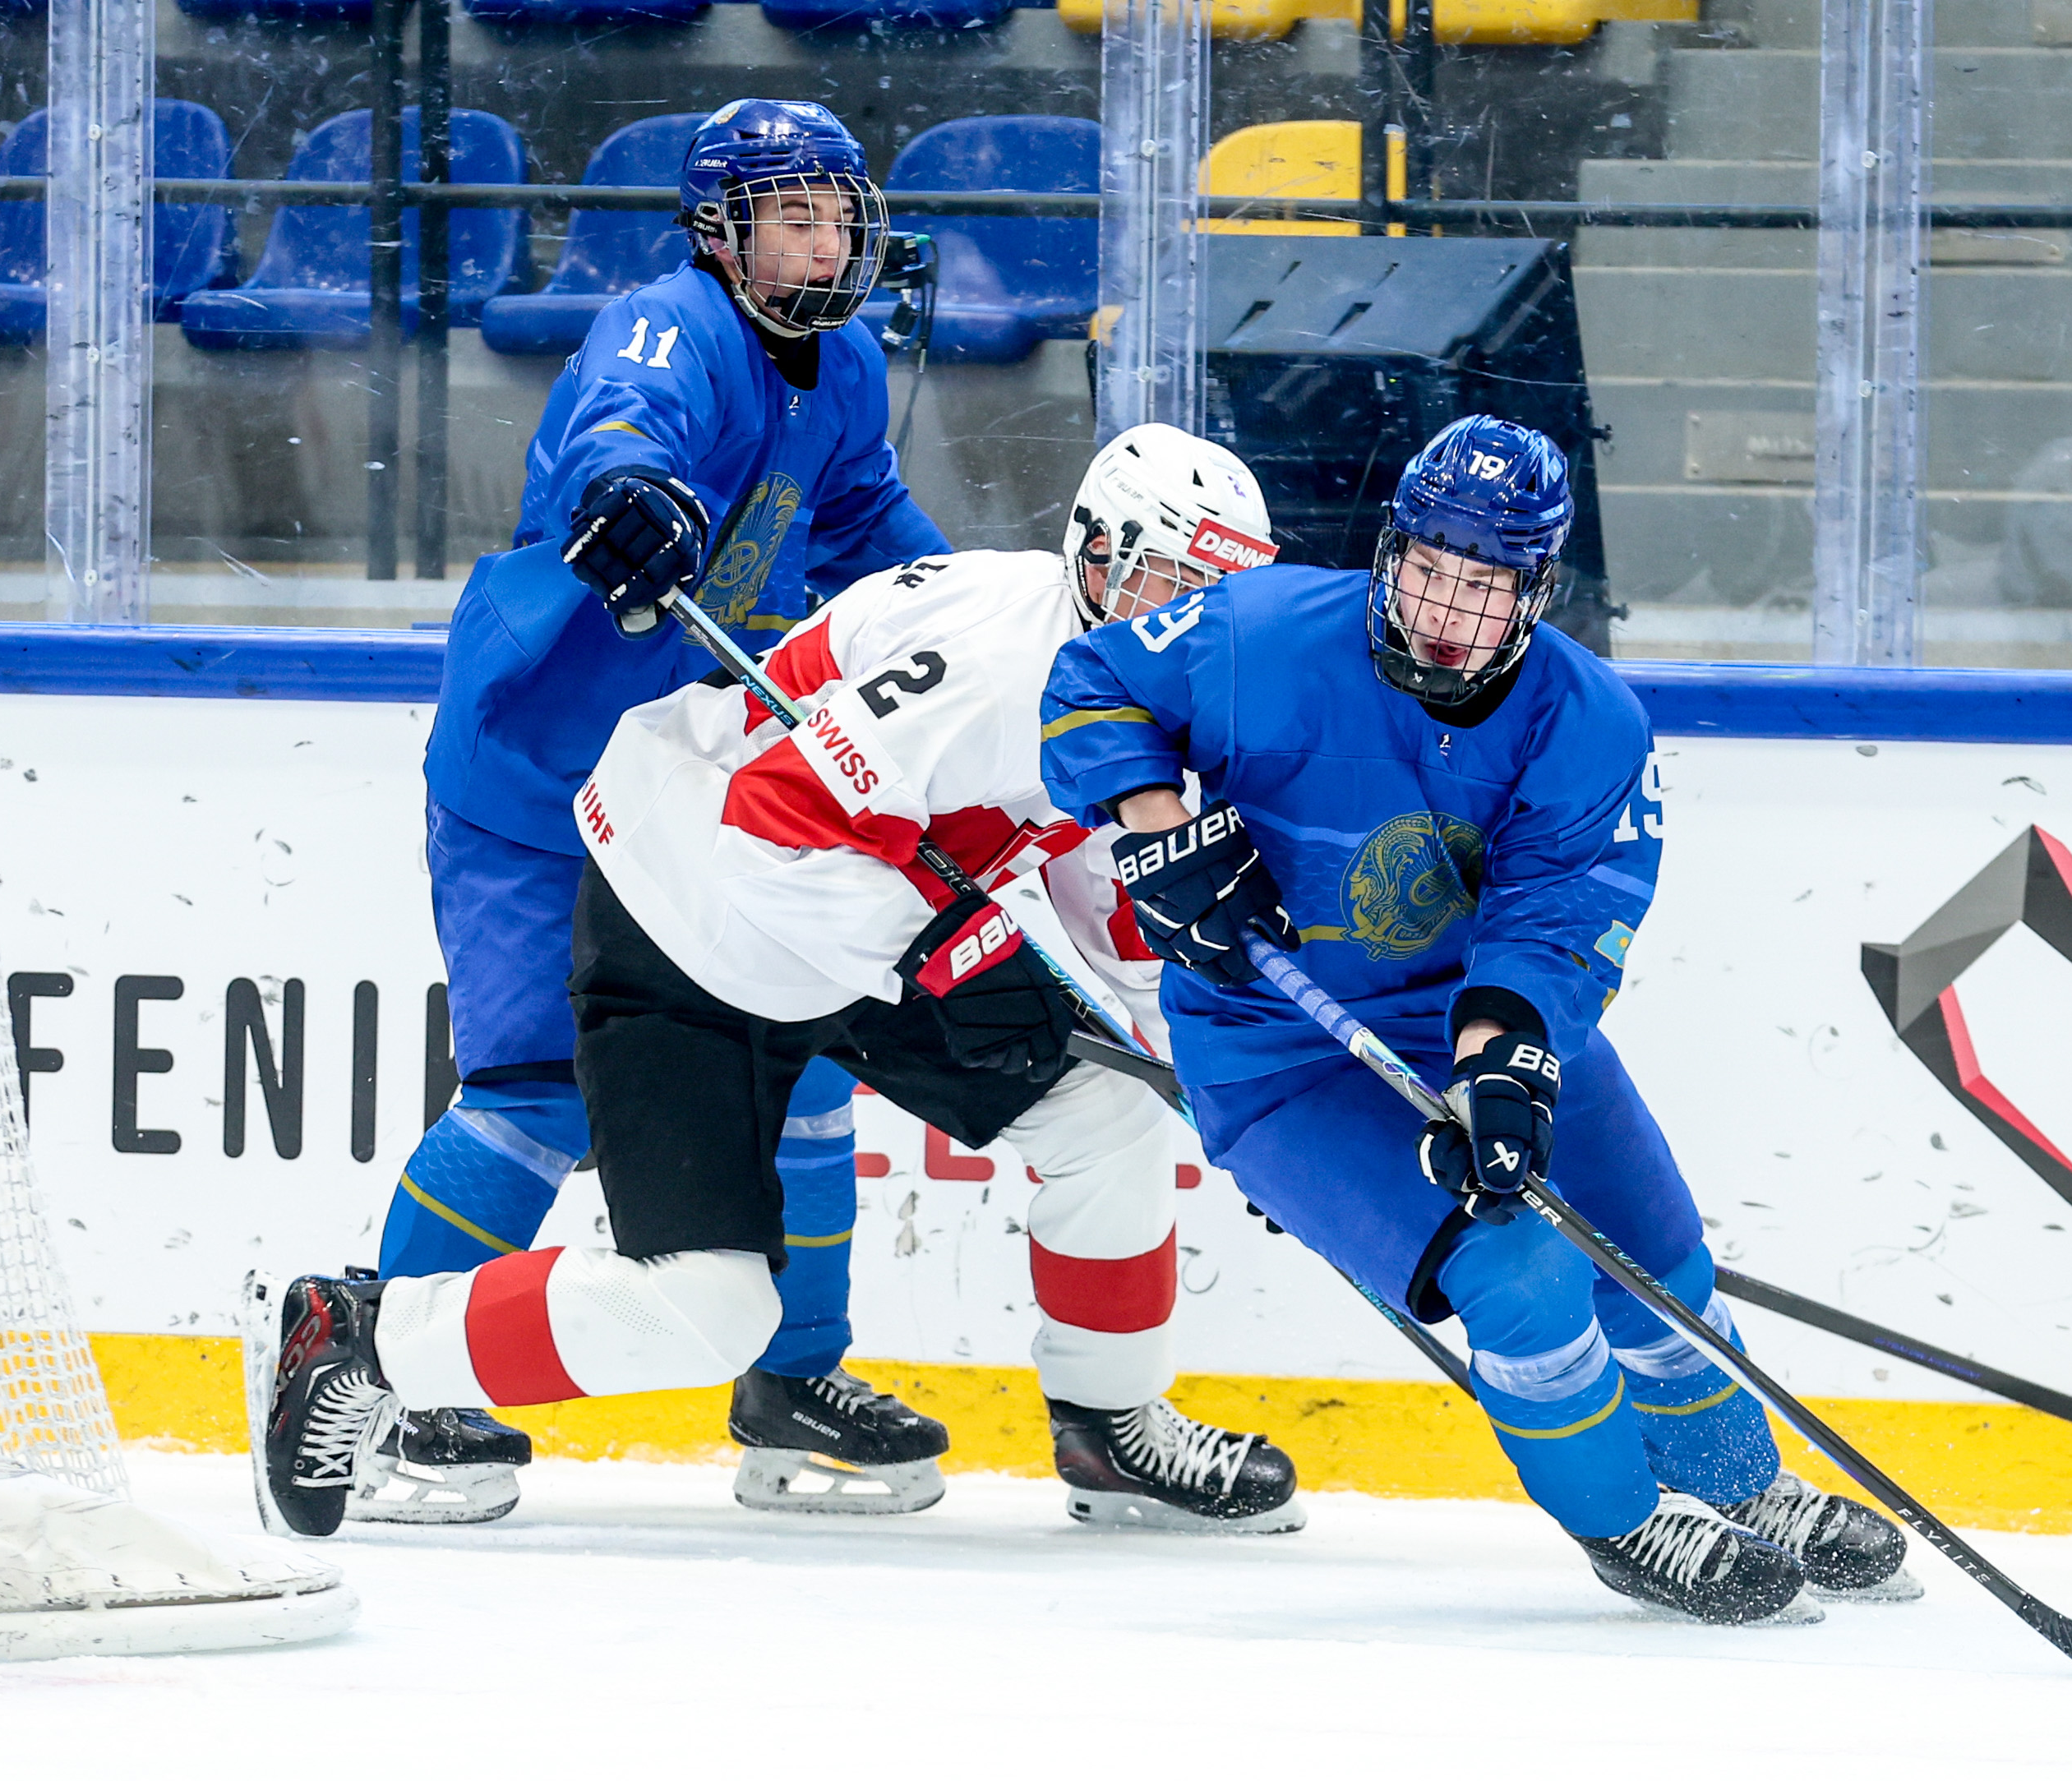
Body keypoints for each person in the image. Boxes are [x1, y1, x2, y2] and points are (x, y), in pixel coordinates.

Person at [260, 426, 1306, 1543]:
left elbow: (1110, 903)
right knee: (707, 1304)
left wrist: (1226, 1090)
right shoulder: (1002, 665)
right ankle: (361, 1341)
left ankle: (1109, 1424)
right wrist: (937, 946)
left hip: (851, 913)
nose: (1187, 620)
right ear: (1096, 554)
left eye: (1218, 597)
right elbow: (774, 816)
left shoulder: (1133, 698)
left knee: (1107, 1116)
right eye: (1171, 581)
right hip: (689, 908)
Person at [1032, 415, 1918, 1626]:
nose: (1447, 609)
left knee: (1656, 1258)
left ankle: (1739, 1485)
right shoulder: (1256, 632)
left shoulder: (1585, 721)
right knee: (1519, 1273)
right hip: (1280, 1053)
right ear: (1390, 550)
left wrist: (1498, 1065)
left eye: (1486, 584)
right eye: (1429, 569)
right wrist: (1156, 829)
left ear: (1537, 590)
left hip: (1472, 1013)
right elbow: (1090, 682)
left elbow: (1558, 918)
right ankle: (1625, 1522)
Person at [367, 99, 954, 1524]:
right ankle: (381, 1395)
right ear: (720, 233)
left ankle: (791, 1381)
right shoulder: (664, 325)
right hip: (536, 775)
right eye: (792, 216)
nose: (825, 243)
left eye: (838, 215)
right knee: (532, 1092)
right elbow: (618, 431)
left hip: (689, 792)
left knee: (804, 1072)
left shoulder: (848, 360)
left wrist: (976, 616)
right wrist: (632, 491)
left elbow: (870, 529)